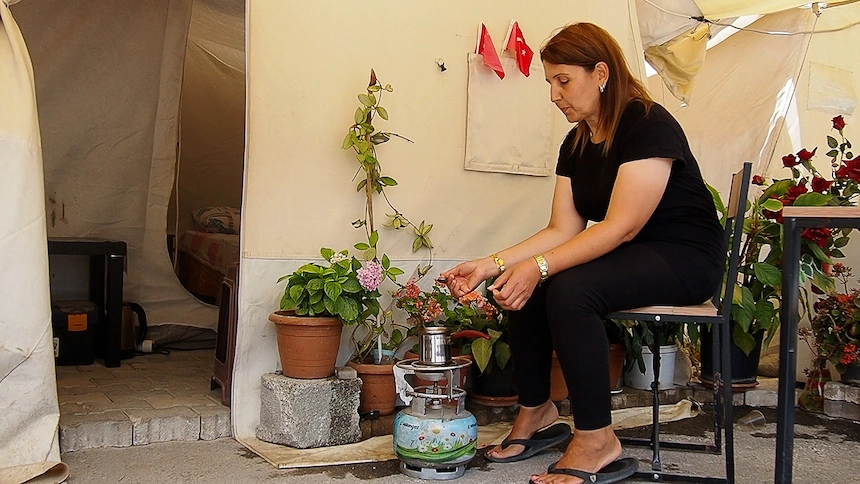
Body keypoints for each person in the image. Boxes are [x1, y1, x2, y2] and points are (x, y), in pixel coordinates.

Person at [441, 22, 723, 484]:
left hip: (684, 257)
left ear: (601, 72)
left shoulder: (646, 123)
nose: (554, 94)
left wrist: (537, 267)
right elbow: (563, 228)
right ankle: (538, 412)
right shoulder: (576, 142)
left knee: (570, 290)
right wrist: (493, 263)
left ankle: (597, 439)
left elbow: (621, 226)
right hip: (631, 254)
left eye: (563, 80)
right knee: (521, 284)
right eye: (550, 82)